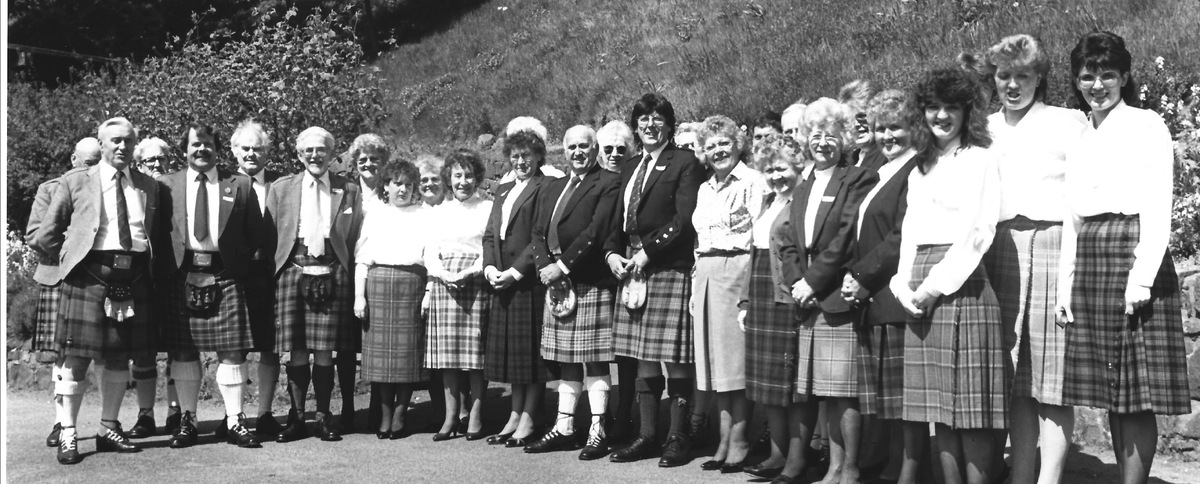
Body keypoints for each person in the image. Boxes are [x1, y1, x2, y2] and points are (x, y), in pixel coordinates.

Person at [1057, 31, 1190, 484]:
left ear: (1126, 77)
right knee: (1113, 389)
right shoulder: (1080, 133)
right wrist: (1064, 286)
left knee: (1135, 390)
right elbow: (1072, 217)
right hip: (1092, 254)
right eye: (1087, 76)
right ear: (1076, 80)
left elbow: (1158, 206)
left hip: (1131, 252)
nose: (1097, 85)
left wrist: (1141, 279)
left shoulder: (1146, 123)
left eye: (1107, 75)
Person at [980, 34, 1089, 484]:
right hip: (1000, 249)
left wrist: (1071, 266)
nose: (1012, 84)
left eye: (1022, 75)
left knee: (1053, 374)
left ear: (1039, 78)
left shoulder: (1067, 121)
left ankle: (1049, 478)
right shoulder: (984, 127)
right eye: (1004, 75)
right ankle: (1021, 472)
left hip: (1052, 245)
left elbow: (1080, 193)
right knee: (1015, 373)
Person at [889, 68, 1005, 484]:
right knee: (937, 409)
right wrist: (903, 285)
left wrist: (934, 286)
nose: (941, 115)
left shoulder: (979, 158)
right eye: (933, 107)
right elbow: (909, 232)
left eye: (951, 107)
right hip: (919, 283)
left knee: (970, 410)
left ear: (966, 112)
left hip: (962, 283)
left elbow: (978, 231)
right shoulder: (920, 165)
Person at [34, 117, 161, 464]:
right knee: (76, 358)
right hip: (88, 276)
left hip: (132, 277)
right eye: (115, 141)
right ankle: (69, 432)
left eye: (128, 142)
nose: (123, 147)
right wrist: (69, 259)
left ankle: (108, 428)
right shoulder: (77, 181)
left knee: (120, 356)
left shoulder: (149, 185)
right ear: (102, 145)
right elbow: (46, 233)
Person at [778, 98, 879, 484]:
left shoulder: (856, 178)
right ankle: (833, 468)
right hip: (808, 298)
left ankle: (848, 469)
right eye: (815, 135)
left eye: (831, 134)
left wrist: (812, 282)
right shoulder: (803, 184)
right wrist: (795, 282)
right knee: (823, 391)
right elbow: (788, 240)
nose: (822, 142)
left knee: (843, 392)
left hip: (836, 296)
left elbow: (846, 238)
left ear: (845, 138)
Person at [604, 93, 704, 467]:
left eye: (657, 118)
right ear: (635, 126)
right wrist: (611, 253)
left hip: (665, 267)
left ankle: (677, 438)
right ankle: (647, 435)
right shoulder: (630, 166)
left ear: (669, 124)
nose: (650, 124)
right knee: (643, 356)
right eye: (643, 119)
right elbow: (617, 219)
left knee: (676, 359)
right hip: (630, 268)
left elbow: (684, 218)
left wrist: (648, 253)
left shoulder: (685, 162)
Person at [155, 122, 264, 448]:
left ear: (217, 149)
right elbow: (157, 235)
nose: (200, 149)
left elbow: (256, 234)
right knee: (184, 350)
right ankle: (188, 420)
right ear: (184, 149)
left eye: (206, 144)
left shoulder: (240, 184)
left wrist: (243, 270)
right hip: (182, 274)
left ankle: (235, 420)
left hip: (226, 276)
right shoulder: (165, 185)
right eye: (194, 145)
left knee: (231, 350)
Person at [842, 90, 928, 484]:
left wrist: (862, 276)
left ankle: (909, 471)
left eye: (895, 127)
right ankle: (895, 466)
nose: (886, 135)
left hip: (892, 292)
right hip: (874, 297)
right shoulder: (885, 172)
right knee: (888, 398)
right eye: (879, 128)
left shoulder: (914, 171)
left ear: (913, 128)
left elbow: (900, 236)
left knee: (905, 398)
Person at [524, 125, 622, 459]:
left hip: (590, 280)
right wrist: (544, 268)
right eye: (571, 147)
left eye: (584, 146)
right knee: (566, 359)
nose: (578, 152)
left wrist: (562, 267)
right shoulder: (552, 187)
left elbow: (597, 231)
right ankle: (564, 427)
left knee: (594, 360)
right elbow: (537, 232)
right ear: (562, 152)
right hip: (556, 282)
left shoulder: (608, 182)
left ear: (595, 150)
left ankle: (598, 431)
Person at [266, 126, 364, 443]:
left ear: (332, 154)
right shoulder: (282, 189)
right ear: (299, 154)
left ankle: (323, 417)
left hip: (332, 270)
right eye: (308, 150)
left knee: (324, 350)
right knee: (296, 350)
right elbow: (271, 236)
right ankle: (296, 418)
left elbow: (353, 234)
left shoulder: (347, 189)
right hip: (294, 269)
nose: (314, 155)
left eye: (321, 149)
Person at [690, 115, 768, 473]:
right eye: (711, 145)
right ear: (703, 153)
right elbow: (700, 241)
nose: (718, 150)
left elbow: (758, 237)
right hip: (706, 273)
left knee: (735, 364)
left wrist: (749, 288)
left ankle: (740, 438)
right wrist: (695, 284)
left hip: (736, 269)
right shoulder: (706, 187)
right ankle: (723, 438)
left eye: (724, 143)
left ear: (738, 143)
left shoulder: (753, 181)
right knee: (715, 364)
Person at [482, 125, 556, 446]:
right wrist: (488, 267)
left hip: (526, 282)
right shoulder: (503, 188)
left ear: (538, 156)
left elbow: (538, 235)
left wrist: (514, 272)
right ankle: (514, 414)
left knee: (530, 355)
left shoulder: (545, 186)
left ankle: (529, 417)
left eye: (526, 155)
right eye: (515, 156)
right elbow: (490, 234)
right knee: (514, 354)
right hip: (501, 281)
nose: (520, 161)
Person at [29, 137, 101, 449]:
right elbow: (35, 235)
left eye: (98, 162)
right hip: (59, 277)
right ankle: (61, 422)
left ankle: (80, 423)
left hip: (93, 280)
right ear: (73, 159)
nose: (92, 169)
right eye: (88, 162)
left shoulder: (108, 189)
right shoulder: (50, 188)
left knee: (82, 354)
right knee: (63, 354)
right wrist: (75, 251)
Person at [740, 132, 804, 480]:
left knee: (790, 384)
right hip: (762, 293)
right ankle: (777, 455)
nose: (776, 176)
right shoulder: (769, 201)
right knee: (769, 384)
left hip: (786, 295)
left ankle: (796, 461)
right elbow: (755, 254)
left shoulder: (802, 201)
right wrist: (746, 300)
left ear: (797, 166)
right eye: (769, 170)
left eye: (782, 169)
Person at [353, 160, 429, 439]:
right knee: (382, 363)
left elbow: (431, 256)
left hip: (413, 286)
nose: (403, 189)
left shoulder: (424, 214)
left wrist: (429, 292)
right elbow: (362, 258)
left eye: (408, 185)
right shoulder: (375, 214)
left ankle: (400, 414)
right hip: (379, 286)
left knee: (406, 359)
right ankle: (384, 416)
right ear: (386, 185)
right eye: (397, 183)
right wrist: (359, 297)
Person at [424, 148, 492, 441]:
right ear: (448, 179)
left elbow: (489, 249)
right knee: (448, 357)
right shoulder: (440, 211)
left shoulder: (487, 208)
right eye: (457, 175)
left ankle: (475, 415)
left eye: (469, 175)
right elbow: (429, 252)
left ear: (477, 177)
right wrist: (443, 275)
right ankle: (451, 417)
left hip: (475, 282)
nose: (463, 181)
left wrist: (470, 273)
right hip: (444, 283)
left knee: (475, 356)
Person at [231, 119, 284, 435]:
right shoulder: (221, 184)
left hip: (271, 275)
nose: (251, 154)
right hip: (235, 276)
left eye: (258, 148)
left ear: (268, 152)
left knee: (270, 345)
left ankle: (264, 413)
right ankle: (234, 416)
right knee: (233, 347)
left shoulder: (281, 184)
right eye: (246, 148)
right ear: (234, 150)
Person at [838, 80, 881, 168]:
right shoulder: (850, 160)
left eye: (863, 117)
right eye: (849, 120)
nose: (857, 125)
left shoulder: (886, 158)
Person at [349, 133, 388, 211]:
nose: (368, 164)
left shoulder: (391, 191)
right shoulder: (348, 192)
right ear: (355, 163)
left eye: (373, 159)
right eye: (362, 160)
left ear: (383, 161)